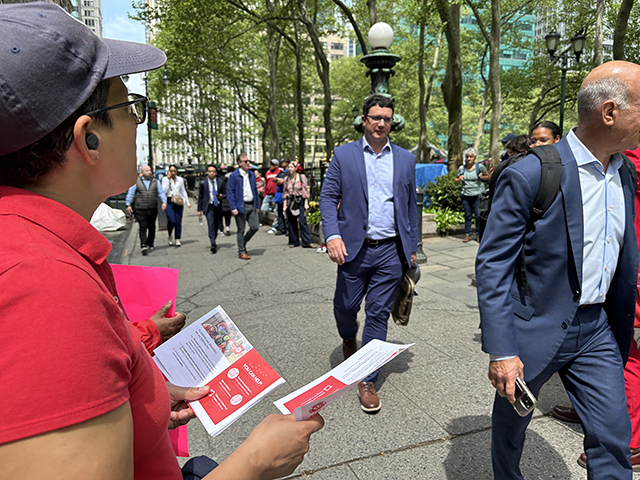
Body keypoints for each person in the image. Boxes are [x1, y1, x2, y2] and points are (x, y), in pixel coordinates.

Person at [0, 4, 324, 478]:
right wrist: (254, 462)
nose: (140, 121)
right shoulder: (46, 289)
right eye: (130, 107)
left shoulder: (32, 247)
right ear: (89, 140)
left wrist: (142, 378)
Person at [476, 60, 640, 479]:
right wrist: (502, 350)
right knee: (510, 431)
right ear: (609, 112)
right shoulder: (531, 173)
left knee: (612, 435)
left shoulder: (625, 173)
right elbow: (493, 265)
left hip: (597, 330)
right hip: (533, 330)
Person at [320, 94, 418, 413]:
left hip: (390, 251)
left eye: (386, 118)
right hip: (353, 249)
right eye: (375, 117)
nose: (381, 123)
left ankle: (367, 377)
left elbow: (410, 206)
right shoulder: (343, 155)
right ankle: (349, 337)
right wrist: (332, 235)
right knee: (346, 307)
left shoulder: (405, 159)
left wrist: (412, 247)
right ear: (364, 120)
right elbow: (327, 197)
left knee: (377, 314)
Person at [552, 143, 640, 472]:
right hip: (607, 270)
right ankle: (590, 408)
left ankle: (630, 440)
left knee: (626, 353)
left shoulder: (627, 161)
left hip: (627, 274)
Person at [126, 164, 167, 255]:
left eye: (150, 170)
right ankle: (144, 245)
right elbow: (131, 193)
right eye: (147, 171)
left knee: (152, 227)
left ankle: (150, 243)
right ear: (142, 172)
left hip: (152, 208)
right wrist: (128, 204)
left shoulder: (155, 182)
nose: (150, 172)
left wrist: (164, 202)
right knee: (143, 226)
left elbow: (161, 192)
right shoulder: (136, 182)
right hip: (140, 208)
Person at [226, 153, 260, 260]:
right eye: (245, 161)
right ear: (239, 163)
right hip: (241, 206)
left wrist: (257, 205)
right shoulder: (234, 176)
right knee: (241, 229)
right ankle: (241, 251)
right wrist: (233, 207)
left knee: (255, 227)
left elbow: (255, 190)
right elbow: (230, 192)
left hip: (251, 205)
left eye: (248, 161)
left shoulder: (251, 175)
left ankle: (243, 242)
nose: (248, 163)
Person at [455, 147, 490, 243]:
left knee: (478, 215)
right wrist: (459, 179)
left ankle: (478, 234)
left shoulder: (480, 167)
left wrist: (482, 177)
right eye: (467, 157)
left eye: (471, 157)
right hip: (466, 195)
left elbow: (488, 176)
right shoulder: (462, 168)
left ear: (474, 158)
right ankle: (468, 234)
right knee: (468, 215)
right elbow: (456, 179)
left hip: (478, 195)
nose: (469, 159)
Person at [283, 161, 316, 249]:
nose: (289, 169)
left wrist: (306, 203)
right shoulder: (286, 179)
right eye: (289, 167)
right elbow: (285, 192)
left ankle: (307, 242)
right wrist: (284, 205)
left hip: (299, 200)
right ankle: (293, 241)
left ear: (296, 168)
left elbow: (305, 190)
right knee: (291, 221)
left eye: (291, 167)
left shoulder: (302, 177)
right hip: (290, 200)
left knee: (302, 221)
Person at [197, 164, 225, 254]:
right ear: (207, 172)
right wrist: (199, 210)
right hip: (208, 206)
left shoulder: (220, 182)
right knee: (211, 224)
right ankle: (213, 243)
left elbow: (225, 194)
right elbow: (200, 197)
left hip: (217, 206)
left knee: (216, 225)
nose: (211, 173)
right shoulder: (203, 183)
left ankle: (214, 238)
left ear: (216, 173)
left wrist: (221, 196)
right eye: (210, 171)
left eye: (213, 171)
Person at [162, 164, 191, 247]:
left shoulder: (180, 179)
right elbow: (164, 191)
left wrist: (187, 202)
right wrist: (168, 180)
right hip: (169, 201)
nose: (173, 173)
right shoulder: (165, 179)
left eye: (174, 171)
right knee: (171, 220)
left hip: (178, 201)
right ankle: (170, 234)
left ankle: (177, 238)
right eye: (171, 171)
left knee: (178, 221)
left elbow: (183, 191)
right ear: (169, 172)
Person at [264, 159, 282, 234]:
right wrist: (265, 193)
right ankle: (273, 209)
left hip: (276, 194)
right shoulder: (268, 172)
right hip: (268, 195)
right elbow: (266, 184)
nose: (271, 165)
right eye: (271, 164)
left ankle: (274, 226)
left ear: (277, 165)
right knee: (263, 208)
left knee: (276, 212)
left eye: (273, 164)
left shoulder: (280, 171)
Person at [220, 165, 234, 236]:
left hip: (221, 199)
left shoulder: (221, 180)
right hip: (229, 199)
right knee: (228, 215)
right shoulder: (234, 178)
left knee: (220, 216)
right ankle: (227, 226)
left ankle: (221, 230)